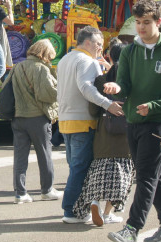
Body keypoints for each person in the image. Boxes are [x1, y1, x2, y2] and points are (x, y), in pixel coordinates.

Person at [104, 0, 161, 242]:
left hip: (160, 122)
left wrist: (154, 106)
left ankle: (132, 229)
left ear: (158, 22)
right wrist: (117, 88)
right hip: (133, 120)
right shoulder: (129, 51)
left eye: (146, 22)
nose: (141, 27)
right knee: (151, 174)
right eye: (138, 22)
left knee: (146, 176)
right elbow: (125, 86)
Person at [56, 26, 124, 224]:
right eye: (97, 44)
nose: (100, 48)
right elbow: (86, 88)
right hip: (83, 121)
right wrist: (108, 104)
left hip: (66, 120)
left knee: (75, 167)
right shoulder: (87, 61)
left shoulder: (65, 59)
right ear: (87, 42)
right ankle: (71, 210)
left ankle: (76, 208)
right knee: (80, 168)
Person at [73, 40, 134, 225]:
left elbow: (93, 109)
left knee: (99, 171)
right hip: (126, 133)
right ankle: (108, 213)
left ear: (109, 57)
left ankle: (94, 202)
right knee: (122, 176)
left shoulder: (101, 81)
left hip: (103, 133)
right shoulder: (132, 80)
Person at [10, 39, 61, 204]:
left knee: (20, 157)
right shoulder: (40, 69)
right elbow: (47, 94)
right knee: (44, 154)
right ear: (45, 54)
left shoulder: (18, 66)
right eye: (50, 57)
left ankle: (20, 193)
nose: (50, 60)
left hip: (18, 117)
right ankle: (47, 190)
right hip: (37, 118)